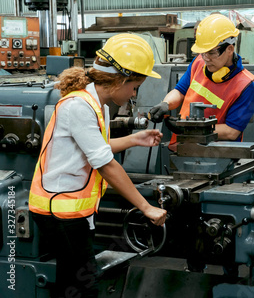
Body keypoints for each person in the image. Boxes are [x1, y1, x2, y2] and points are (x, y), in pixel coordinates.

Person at [29, 33, 168, 298]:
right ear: (121, 80)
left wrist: (134, 139)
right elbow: (105, 164)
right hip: (59, 209)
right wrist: (146, 207)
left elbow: (97, 150)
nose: (133, 94)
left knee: (73, 283)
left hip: (70, 208)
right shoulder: (79, 105)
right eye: (135, 87)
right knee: (82, 286)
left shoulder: (97, 104)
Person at [149, 13, 254, 147]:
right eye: (203, 52)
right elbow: (180, 91)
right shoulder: (198, 63)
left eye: (212, 52)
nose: (206, 58)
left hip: (219, 156)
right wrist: (165, 104)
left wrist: (190, 129)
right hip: (185, 147)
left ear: (230, 49)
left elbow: (232, 131)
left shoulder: (245, 86)